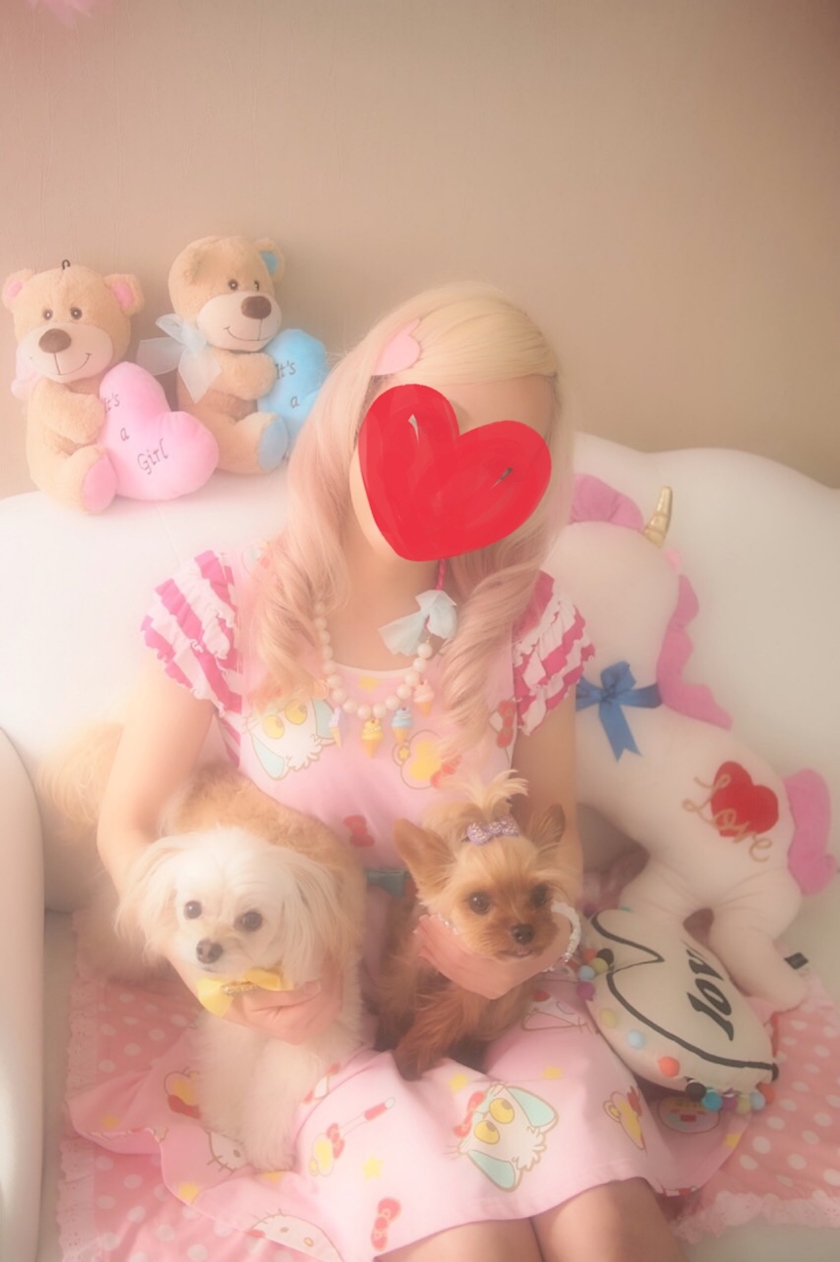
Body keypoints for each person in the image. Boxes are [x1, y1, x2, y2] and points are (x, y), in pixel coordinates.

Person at [92, 283, 716, 1261]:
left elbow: (550, 830)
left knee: (606, 1225)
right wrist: (227, 980)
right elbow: (127, 820)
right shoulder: (223, 604)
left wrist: (517, 952)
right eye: (427, 425)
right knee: (462, 1241)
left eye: (499, 457)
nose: (446, 473)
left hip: (495, 976)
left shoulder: (526, 622)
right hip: (315, 994)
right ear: (355, 413)